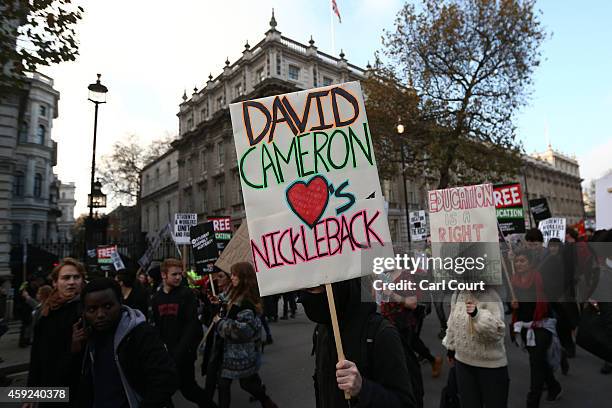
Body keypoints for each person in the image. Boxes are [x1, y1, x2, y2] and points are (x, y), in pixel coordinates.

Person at [301, 278, 416, 408]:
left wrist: (363, 388)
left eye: (312, 289)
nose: (302, 298)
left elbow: (404, 403)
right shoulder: (322, 330)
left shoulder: (381, 334)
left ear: (337, 288)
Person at [76, 278, 178, 407]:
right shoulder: (86, 338)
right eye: (92, 309)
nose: (100, 314)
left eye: (108, 306)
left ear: (120, 302)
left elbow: (166, 378)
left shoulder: (140, 334)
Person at [151, 258, 216, 408]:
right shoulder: (157, 299)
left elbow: (191, 326)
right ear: (163, 275)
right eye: (174, 274)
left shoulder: (186, 294)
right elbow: (157, 327)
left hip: (184, 353)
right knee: (163, 391)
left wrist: (180, 353)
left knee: (188, 389)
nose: (178, 277)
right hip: (166, 353)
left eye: (180, 274)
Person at [215, 262, 278, 408]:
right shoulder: (236, 292)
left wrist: (220, 323)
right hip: (231, 352)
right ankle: (266, 400)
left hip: (241, 353)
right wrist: (218, 301)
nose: (232, 277)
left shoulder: (246, 301)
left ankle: (266, 401)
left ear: (243, 277)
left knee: (245, 383)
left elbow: (242, 331)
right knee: (225, 384)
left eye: (234, 274)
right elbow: (227, 300)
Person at [25, 257, 86, 408]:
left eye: (76, 277)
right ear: (55, 282)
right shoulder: (45, 312)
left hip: (79, 389)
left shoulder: (88, 309)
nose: (71, 282)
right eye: (66, 278)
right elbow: (37, 354)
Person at [511, 249, 562, 407]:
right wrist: (511, 304)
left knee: (535, 364)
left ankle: (532, 401)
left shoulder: (539, 278)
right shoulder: (513, 280)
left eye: (523, 261)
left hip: (541, 326)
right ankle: (554, 386)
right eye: (517, 261)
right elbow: (512, 306)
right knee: (539, 361)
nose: (519, 264)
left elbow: (552, 298)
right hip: (525, 328)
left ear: (530, 262)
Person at [443, 287, 509, 408]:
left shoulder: (491, 296)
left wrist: (476, 314)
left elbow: (497, 332)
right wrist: (451, 348)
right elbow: (452, 322)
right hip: (462, 363)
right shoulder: (458, 293)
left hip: (490, 366)